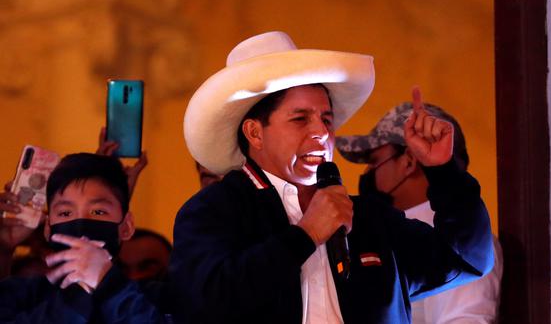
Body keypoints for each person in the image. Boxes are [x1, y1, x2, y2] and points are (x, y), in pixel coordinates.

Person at [170, 31, 494, 323]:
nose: (321, 132)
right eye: (300, 119)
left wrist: (444, 172)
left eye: (326, 118)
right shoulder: (213, 212)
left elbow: (468, 260)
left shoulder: (367, 217)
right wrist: (306, 235)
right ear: (255, 132)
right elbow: (203, 304)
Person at [337, 102, 504, 323]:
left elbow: (464, 319)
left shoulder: (454, 242)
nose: (368, 173)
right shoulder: (388, 232)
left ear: (408, 161)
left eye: (375, 161)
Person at [0, 153, 165, 323]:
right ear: (48, 229)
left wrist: (108, 284)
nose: (81, 226)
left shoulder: (157, 298)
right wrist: (2, 249)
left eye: (98, 212)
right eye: (65, 213)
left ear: (127, 227)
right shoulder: (24, 295)